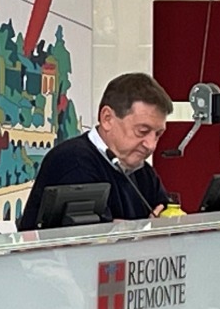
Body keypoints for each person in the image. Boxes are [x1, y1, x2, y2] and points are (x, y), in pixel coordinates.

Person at [17, 73, 173, 230]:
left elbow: (165, 215)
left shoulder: (142, 171)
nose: (151, 145)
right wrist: (145, 227)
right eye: (142, 131)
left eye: (158, 134)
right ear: (107, 118)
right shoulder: (73, 161)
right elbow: (94, 235)